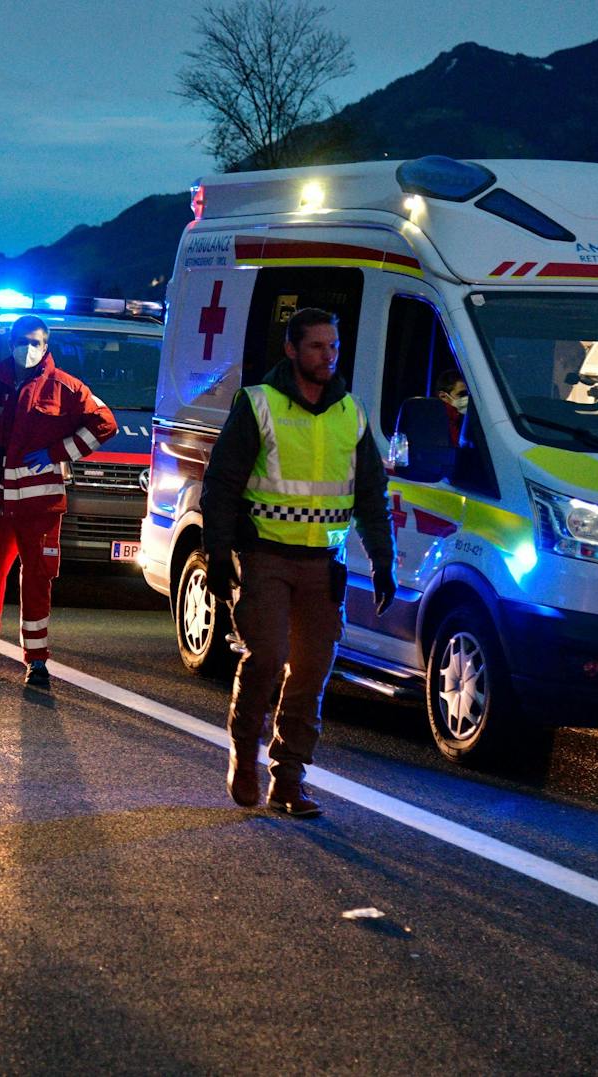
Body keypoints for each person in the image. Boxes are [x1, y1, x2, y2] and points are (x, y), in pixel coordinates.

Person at [202, 308, 396, 817]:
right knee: (265, 657)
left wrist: (382, 560)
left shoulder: (350, 413)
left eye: (333, 347)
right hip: (265, 556)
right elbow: (221, 485)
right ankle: (244, 753)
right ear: (291, 349)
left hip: (323, 565)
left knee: (311, 671)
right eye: (316, 347)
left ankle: (289, 778)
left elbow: (372, 493)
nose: (328, 356)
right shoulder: (259, 404)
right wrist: (219, 554)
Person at [0, 315, 116, 688]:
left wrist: (57, 452)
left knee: (36, 578)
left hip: (39, 506)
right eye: (21, 340)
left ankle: (37, 661)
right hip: (0, 501)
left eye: (34, 342)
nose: (27, 348)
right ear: (11, 342)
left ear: (46, 346)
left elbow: (105, 423)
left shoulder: (66, 388)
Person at [435, 369, 468, 445]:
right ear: (443, 396)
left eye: (467, 394)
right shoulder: (436, 424)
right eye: (461, 394)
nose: (466, 398)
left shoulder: (462, 420)